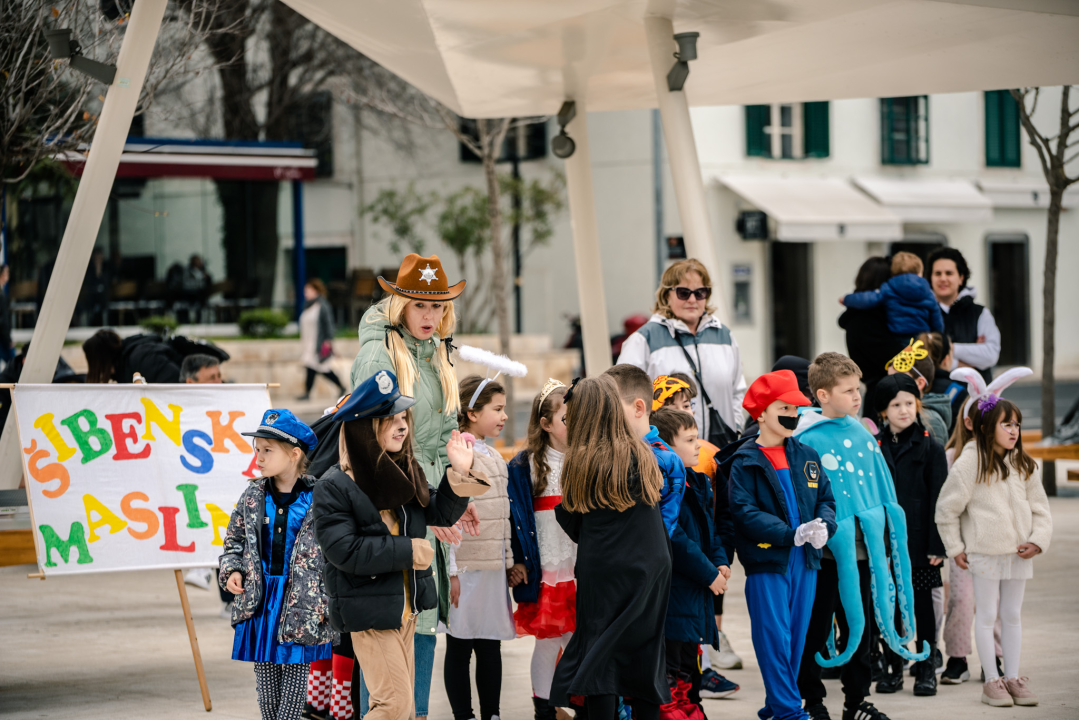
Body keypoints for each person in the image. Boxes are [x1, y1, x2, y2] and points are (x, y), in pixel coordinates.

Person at [313, 370, 488, 720]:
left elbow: (438, 511)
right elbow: (343, 551)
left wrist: (458, 471)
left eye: (403, 416)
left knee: (403, 709)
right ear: (364, 427)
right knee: (393, 706)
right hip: (370, 611)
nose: (402, 425)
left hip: (405, 607)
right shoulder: (333, 485)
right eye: (389, 419)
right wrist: (411, 551)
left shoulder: (404, 469)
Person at [349, 253, 465, 719]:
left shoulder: (438, 351)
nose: (430, 316)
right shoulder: (379, 353)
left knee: (422, 620)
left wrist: (454, 500)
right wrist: (426, 510)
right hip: (393, 513)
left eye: (438, 307)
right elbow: (371, 446)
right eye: (420, 305)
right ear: (399, 302)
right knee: (388, 627)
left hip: (427, 507)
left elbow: (441, 442)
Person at [548, 375, 672, 720]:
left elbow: (573, 518)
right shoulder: (642, 452)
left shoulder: (582, 459)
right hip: (653, 565)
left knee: (599, 653)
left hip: (605, 568)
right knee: (646, 653)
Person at [719, 370, 835, 720]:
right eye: (784, 407)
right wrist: (791, 533)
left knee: (797, 639)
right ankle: (788, 711)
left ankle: (775, 704)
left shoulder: (807, 455)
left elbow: (825, 498)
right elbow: (743, 511)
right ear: (761, 413)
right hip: (769, 562)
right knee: (775, 639)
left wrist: (824, 526)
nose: (792, 414)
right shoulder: (745, 462)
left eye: (796, 408)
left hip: (807, 561)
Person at [935, 392, 1052, 708]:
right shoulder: (969, 462)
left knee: (1011, 615)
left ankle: (1011, 678)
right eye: (1006, 424)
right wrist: (956, 548)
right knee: (986, 616)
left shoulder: (1022, 462)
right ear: (986, 427)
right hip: (984, 553)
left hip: (1018, 553)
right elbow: (946, 509)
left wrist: (1038, 540)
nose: (1014, 430)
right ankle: (991, 682)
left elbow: (1041, 508)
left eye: (1017, 424)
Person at [220, 409, 332, 720]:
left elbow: (334, 547)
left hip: (302, 607)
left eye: (267, 450)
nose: (259, 457)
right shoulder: (252, 495)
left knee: (292, 703)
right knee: (268, 702)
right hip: (260, 604)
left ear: (295, 454)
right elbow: (234, 541)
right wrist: (233, 570)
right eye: (257, 450)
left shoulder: (318, 497)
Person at [652, 373, 743, 689]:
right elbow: (673, 533)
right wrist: (708, 572)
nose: (698, 444)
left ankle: (693, 697)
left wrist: (720, 559)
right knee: (674, 659)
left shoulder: (701, 478)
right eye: (689, 440)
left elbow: (712, 526)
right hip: (680, 580)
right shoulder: (662, 480)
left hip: (702, 576)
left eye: (688, 404)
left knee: (690, 655)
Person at [617, 257, 747, 448]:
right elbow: (624, 398)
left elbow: (738, 392)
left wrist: (735, 426)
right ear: (667, 295)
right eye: (683, 292)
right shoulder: (643, 339)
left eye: (700, 292)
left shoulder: (725, 336)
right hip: (666, 453)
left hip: (719, 450)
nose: (692, 300)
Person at [443, 375, 515, 720]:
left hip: (491, 567)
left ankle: (492, 713)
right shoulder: (461, 451)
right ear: (472, 412)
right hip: (468, 567)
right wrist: (452, 571)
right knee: (460, 645)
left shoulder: (491, 452)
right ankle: (464, 714)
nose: (503, 416)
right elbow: (453, 513)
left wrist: (509, 560)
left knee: (490, 643)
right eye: (496, 409)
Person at [873, 374, 948, 698]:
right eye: (895, 405)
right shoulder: (873, 448)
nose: (904, 411)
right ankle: (893, 666)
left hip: (919, 543)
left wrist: (937, 544)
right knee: (889, 606)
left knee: (921, 606)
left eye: (908, 403)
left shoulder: (930, 445)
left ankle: (927, 667)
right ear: (882, 412)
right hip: (885, 543)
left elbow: (940, 500)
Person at [507, 379, 577, 720]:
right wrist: (516, 560)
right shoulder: (527, 465)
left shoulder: (586, 459)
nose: (575, 424)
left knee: (578, 640)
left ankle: (580, 702)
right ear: (546, 424)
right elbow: (514, 516)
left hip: (581, 563)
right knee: (550, 641)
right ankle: (545, 709)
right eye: (567, 418)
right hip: (548, 566)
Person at [603, 364, 685, 536]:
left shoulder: (667, 460)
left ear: (638, 408)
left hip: (647, 558)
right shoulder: (603, 452)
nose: (604, 414)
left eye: (611, 406)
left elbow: (666, 526)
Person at [179, 353, 231, 613]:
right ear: (191, 382)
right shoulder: (177, 412)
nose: (219, 381)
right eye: (212, 377)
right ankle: (202, 565)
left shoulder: (232, 405)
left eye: (219, 376)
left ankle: (229, 597)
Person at [838, 257, 905, 413]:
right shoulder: (870, 320)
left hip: (876, 398)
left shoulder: (856, 318)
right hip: (886, 402)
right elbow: (897, 359)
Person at [925, 247, 1000, 383]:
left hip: (975, 399)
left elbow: (991, 355)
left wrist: (948, 348)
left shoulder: (980, 313)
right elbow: (920, 359)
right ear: (930, 278)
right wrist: (970, 359)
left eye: (949, 273)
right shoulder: (922, 313)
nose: (943, 278)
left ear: (961, 278)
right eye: (937, 273)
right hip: (933, 398)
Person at [841, 252, 944, 342]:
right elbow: (937, 320)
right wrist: (937, 334)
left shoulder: (888, 288)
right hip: (923, 337)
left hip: (899, 337)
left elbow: (868, 299)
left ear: (893, 275)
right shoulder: (929, 293)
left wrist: (846, 299)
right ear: (919, 273)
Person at [883, 338, 951, 446]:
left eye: (898, 379)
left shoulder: (931, 422)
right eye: (889, 379)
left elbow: (934, 461)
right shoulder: (891, 411)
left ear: (919, 383)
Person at [299, 279, 346, 401]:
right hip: (309, 342)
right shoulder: (307, 305)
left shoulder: (322, 305)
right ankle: (309, 392)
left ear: (315, 291)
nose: (305, 293)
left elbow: (329, 324)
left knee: (320, 368)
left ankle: (339, 387)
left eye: (308, 291)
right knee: (313, 367)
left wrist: (328, 341)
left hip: (318, 343)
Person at [0, 264, 13, 365]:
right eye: (7, 272)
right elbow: (3, 319)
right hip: (2, 337)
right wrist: (8, 339)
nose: (8, 275)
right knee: (14, 365)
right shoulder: (1, 295)